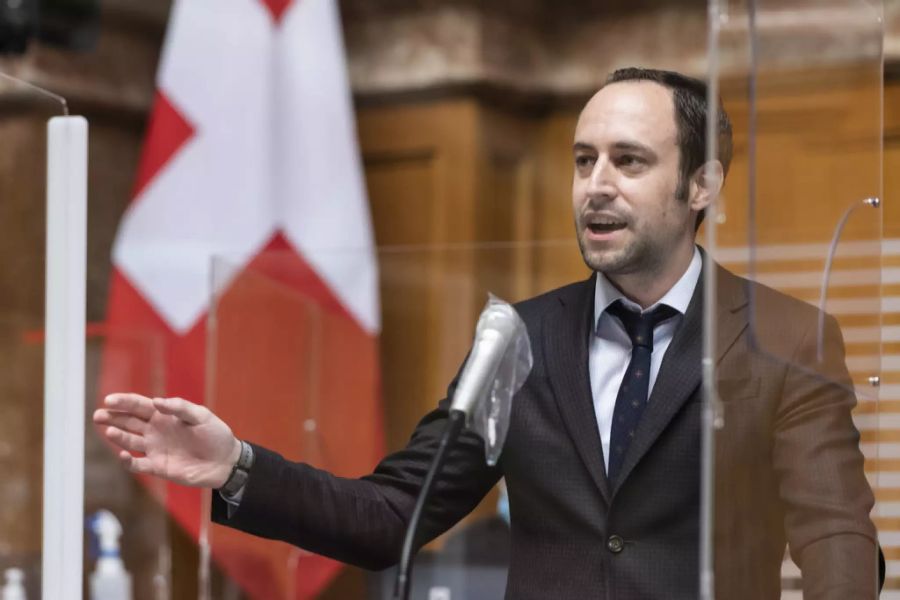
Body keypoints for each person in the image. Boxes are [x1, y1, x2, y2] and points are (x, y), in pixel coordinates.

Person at [93, 68, 878, 599]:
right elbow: (396, 514)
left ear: (702, 184)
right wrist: (236, 466)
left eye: (629, 161)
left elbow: (836, 537)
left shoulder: (785, 335)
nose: (596, 185)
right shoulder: (522, 337)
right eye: (583, 160)